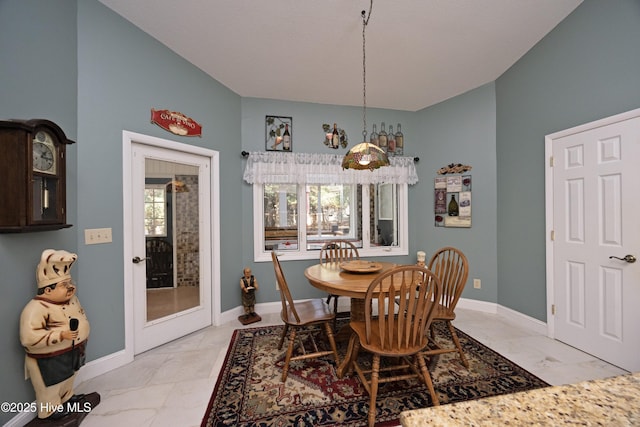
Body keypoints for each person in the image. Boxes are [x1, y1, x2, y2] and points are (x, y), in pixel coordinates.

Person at [20, 249, 90, 420]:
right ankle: (49, 409)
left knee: (69, 378)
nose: (70, 287)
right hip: (49, 359)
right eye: (64, 285)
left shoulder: (72, 300)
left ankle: (66, 397)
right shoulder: (36, 309)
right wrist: (60, 336)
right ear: (48, 291)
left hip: (73, 351)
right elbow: (28, 337)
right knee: (50, 385)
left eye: (69, 283)